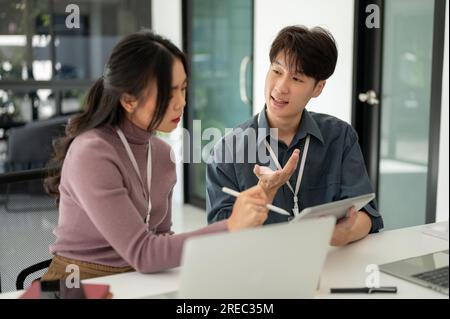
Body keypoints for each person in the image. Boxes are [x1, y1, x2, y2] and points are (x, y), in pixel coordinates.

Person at [42, 31, 272, 281]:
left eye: (183, 89)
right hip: (77, 279)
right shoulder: (92, 153)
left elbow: (161, 239)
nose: (181, 102)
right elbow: (143, 252)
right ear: (129, 100)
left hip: (137, 279)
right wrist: (230, 226)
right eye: (169, 92)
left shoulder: (162, 154)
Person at [206, 25, 384, 246]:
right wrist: (264, 193)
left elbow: (366, 214)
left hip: (328, 263)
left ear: (318, 88)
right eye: (277, 71)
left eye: (297, 79)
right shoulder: (227, 150)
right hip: (258, 269)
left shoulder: (340, 137)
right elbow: (219, 234)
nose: (281, 87)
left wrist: (335, 235)